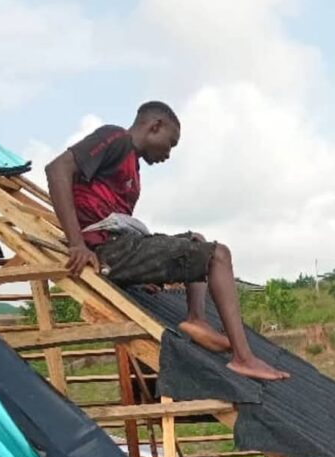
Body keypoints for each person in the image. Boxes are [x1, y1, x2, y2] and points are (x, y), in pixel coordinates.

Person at [45, 100, 288, 381]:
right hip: (107, 247)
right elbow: (56, 169)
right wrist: (77, 243)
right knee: (218, 255)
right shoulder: (115, 138)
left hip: (122, 246)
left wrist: (141, 272)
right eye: (170, 144)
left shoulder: (133, 170)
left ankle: (197, 318)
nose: (168, 154)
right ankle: (244, 358)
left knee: (197, 240)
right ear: (154, 126)